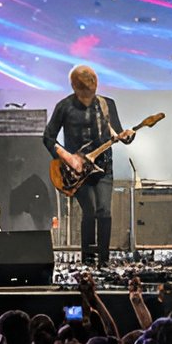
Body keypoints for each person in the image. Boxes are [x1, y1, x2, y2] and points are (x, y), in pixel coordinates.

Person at [42, 64, 135, 271]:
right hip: (76, 171)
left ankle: (103, 261)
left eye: (91, 92)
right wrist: (68, 157)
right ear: (74, 87)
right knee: (89, 211)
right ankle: (87, 260)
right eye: (83, 93)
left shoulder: (106, 104)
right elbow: (48, 137)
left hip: (103, 168)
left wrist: (127, 136)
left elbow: (118, 133)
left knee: (104, 210)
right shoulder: (64, 107)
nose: (87, 98)